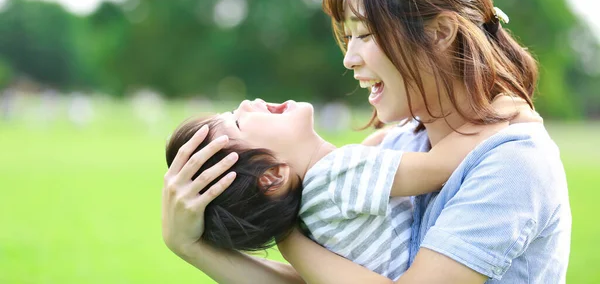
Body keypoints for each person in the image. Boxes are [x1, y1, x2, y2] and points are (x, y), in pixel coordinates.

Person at [162, 0, 571, 283]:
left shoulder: (514, 162)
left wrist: (289, 236)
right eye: (347, 36)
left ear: (440, 32)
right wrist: (192, 247)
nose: (348, 58)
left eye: (365, 35)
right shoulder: (402, 145)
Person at [165, 97, 529, 279]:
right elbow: (438, 167)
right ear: (272, 177)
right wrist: (502, 115)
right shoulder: (337, 177)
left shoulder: (310, 212)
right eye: (239, 123)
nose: (246, 103)